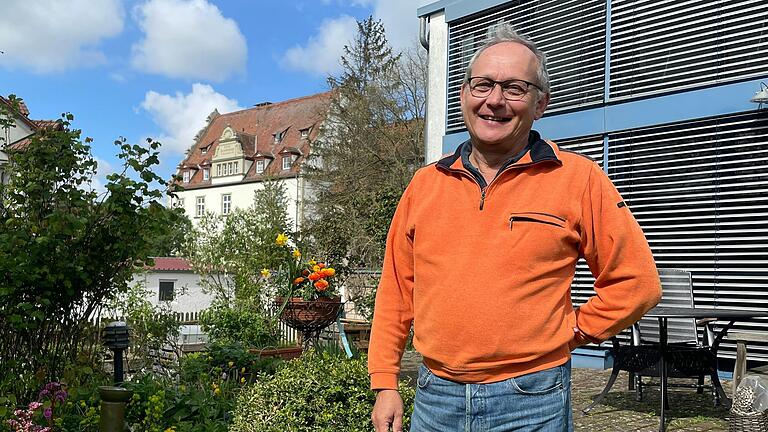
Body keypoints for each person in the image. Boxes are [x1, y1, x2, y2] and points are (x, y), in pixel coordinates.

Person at [368, 23, 662, 432]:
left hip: (532, 401)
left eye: (514, 88)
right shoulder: (425, 185)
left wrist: (577, 329)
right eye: (482, 85)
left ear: (540, 105)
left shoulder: (579, 179)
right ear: (463, 95)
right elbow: (397, 290)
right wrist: (385, 381)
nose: (494, 101)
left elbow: (637, 283)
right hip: (436, 400)